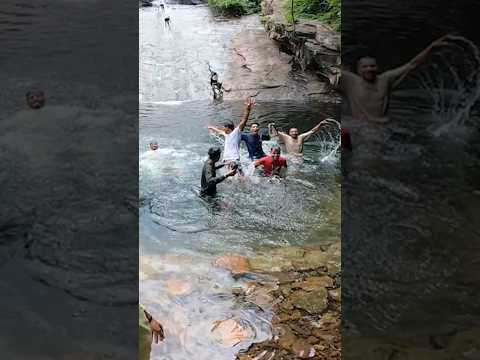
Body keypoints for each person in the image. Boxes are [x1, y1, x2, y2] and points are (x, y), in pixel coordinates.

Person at [326, 35, 448, 123]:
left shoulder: (386, 79)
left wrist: (432, 47)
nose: (369, 69)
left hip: (382, 127)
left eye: (372, 66)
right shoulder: (351, 81)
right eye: (365, 67)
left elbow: (412, 64)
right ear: (358, 70)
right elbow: (331, 68)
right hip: (362, 129)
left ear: (377, 68)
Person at [207, 97, 255, 173]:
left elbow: (244, 121)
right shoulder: (226, 134)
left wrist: (248, 109)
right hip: (226, 159)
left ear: (228, 128)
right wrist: (211, 127)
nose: (223, 129)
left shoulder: (236, 132)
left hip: (233, 159)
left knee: (240, 177)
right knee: (229, 178)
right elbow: (219, 131)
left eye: (224, 127)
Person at [268, 118, 334, 156]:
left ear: (298, 132)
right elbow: (275, 133)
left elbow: (312, 131)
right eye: (292, 132)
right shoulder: (286, 137)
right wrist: (271, 126)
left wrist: (320, 124)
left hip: (299, 157)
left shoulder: (301, 137)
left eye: (295, 131)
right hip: (290, 157)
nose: (294, 133)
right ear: (289, 133)